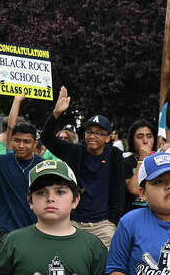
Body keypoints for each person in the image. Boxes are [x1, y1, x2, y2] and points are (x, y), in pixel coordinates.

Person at [39, 88, 126, 248]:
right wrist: (56, 114)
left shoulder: (115, 155)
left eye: (99, 133)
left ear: (108, 138)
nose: (92, 136)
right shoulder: (75, 151)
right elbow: (47, 138)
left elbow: (120, 189)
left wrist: (112, 220)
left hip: (103, 224)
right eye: (89, 132)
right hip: (74, 222)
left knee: (102, 268)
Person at [123, 119, 157, 214]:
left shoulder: (159, 160)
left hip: (156, 212)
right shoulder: (126, 162)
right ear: (132, 140)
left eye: (149, 136)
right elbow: (134, 189)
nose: (145, 141)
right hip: (133, 212)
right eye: (140, 137)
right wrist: (142, 160)